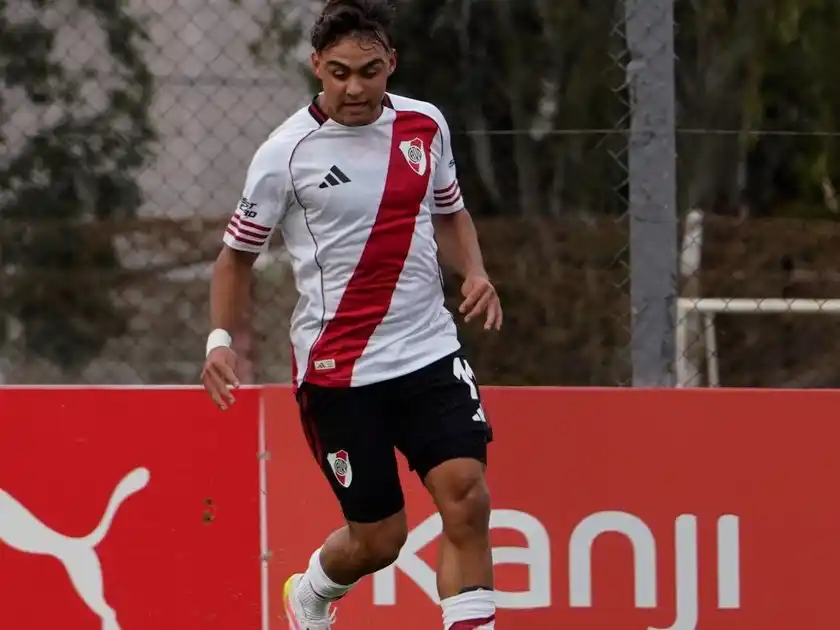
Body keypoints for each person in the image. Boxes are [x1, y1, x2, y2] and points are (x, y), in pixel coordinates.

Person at [201, 0, 502, 628]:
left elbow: (448, 211)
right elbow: (234, 259)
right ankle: (311, 593)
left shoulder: (426, 125)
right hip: (339, 374)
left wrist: (473, 271)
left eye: (368, 71)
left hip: (428, 352)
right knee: (380, 540)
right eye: (338, 72)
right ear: (316, 67)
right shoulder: (284, 154)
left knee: (467, 502)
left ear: (390, 63)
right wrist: (220, 342)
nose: (354, 87)